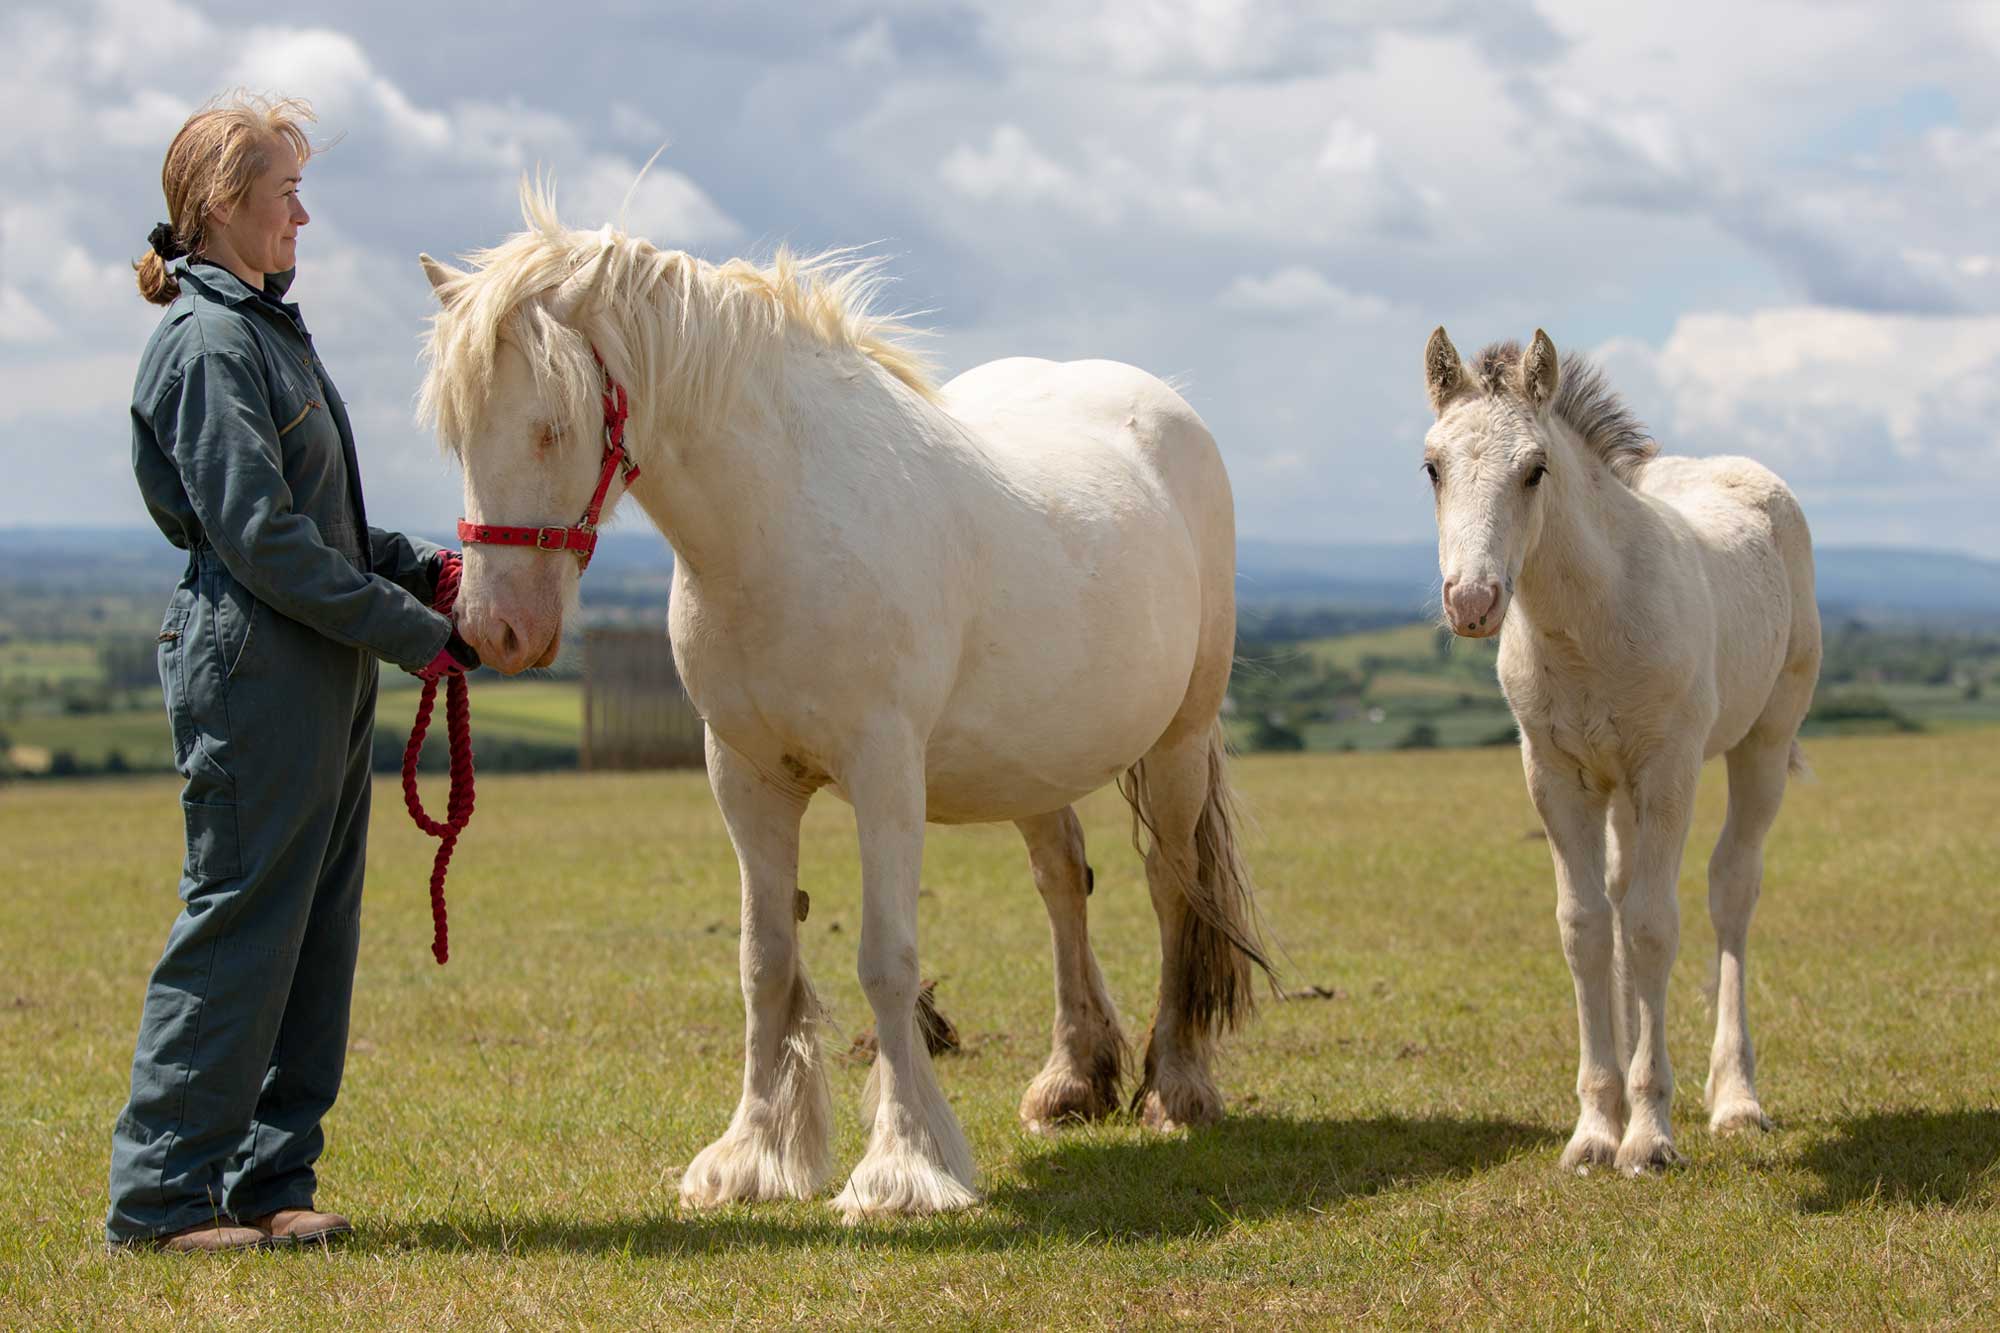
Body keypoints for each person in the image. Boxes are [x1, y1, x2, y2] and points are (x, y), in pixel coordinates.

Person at [108, 92, 478, 1253]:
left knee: (314, 930)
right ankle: (163, 1201)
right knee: (241, 926)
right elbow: (261, 542)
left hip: (313, 660)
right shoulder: (209, 343)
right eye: (285, 194)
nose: (302, 216)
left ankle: (271, 1181)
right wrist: (418, 633)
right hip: (254, 663)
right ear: (223, 206)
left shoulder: (265, 328)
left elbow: (320, 522)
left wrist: (424, 573)